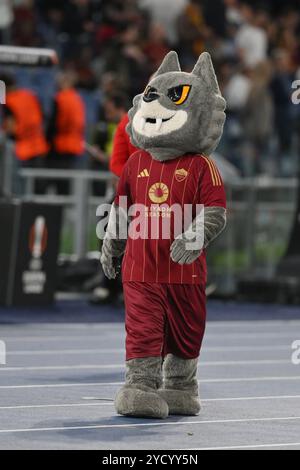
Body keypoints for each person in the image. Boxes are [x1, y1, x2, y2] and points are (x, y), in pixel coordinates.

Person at [101, 51, 227, 419]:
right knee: (142, 328)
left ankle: (181, 388)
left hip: (185, 273)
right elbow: (121, 209)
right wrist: (112, 242)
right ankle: (139, 386)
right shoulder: (135, 162)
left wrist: (195, 235)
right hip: (141, 270)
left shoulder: (202, 166)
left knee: (186, 332)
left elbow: (215, 211)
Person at [1, 73, 48, 194]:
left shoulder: (8, 101)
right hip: (38, 146)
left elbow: (11, 128)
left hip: (21, 150)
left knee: (20, 190)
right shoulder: (30, 95)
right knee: (38, 190)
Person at [46, 71, 86, 193]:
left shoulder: (60, 98)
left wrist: (47, 141)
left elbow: (54, 124)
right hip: (73, 145)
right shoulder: (77, 99)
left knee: (55, 179)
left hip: (59, 145)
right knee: (66, 181)